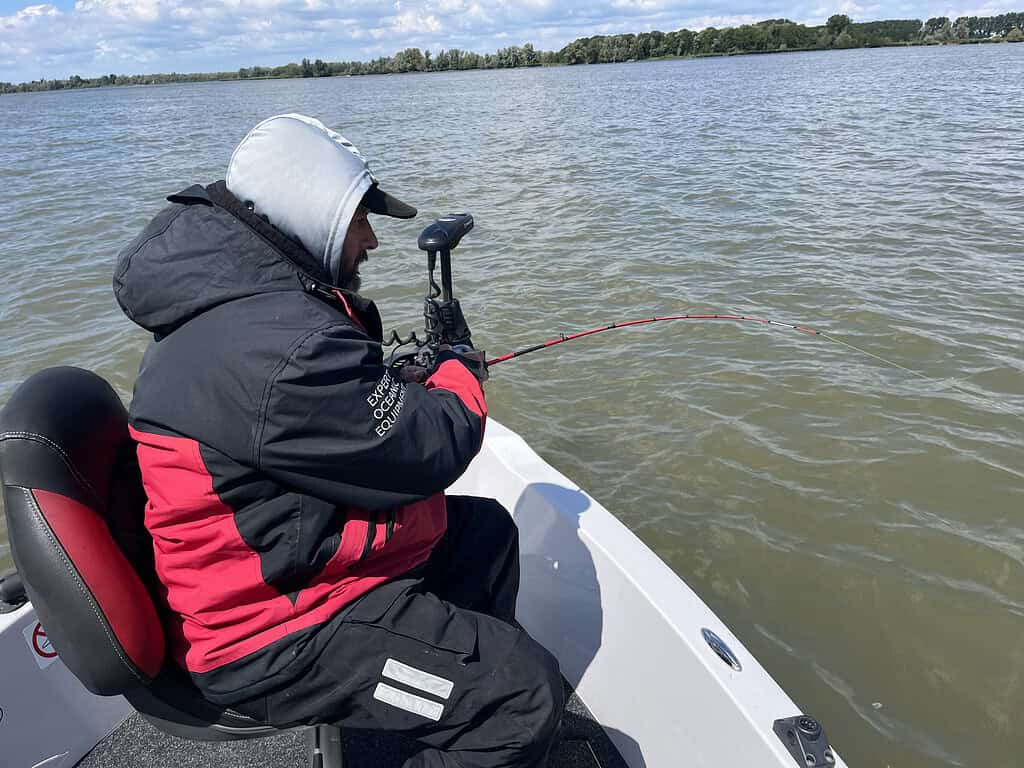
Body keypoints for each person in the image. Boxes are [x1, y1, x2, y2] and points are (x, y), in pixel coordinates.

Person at [113, 114, 564, 768]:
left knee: (484, 535)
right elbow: (429, 449)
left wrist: (392, 379)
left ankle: (432, 708)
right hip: (270, 634)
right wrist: (460, 373)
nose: (373, 241)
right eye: (361, 221)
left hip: (287, 565)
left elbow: (314, 413)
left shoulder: (238, 304)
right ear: (318, 216)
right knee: (522, 698)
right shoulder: (279, 348)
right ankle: (479, 711)